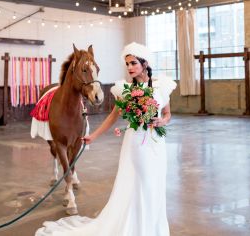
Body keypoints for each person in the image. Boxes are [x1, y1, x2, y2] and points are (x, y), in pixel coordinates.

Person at [35, 42, 177, 236]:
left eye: (133, 63)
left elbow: (168, 114)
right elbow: (112, 117)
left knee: (156, 183)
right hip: (135, 143)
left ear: (144, 63)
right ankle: (135, 228)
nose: (129, 68)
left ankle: (153, 227)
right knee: (142, 183)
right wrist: (93, 135)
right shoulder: (125, 90)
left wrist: (162, 121)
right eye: (127, 64)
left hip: (157, 144)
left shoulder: (161, 85)